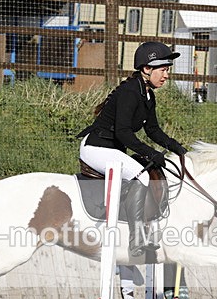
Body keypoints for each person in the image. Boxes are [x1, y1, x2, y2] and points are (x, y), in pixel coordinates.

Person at [77, 41, 188, 258]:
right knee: (143, 176)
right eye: (163, 70)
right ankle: (136, 239)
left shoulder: (147, 95)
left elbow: (153, 130)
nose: (166, 75)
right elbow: (124, 133)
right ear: (147, 69)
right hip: (96, 148)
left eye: (167, 70)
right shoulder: (130, 92)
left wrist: (176, 147)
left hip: (112, 150)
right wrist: (150, 153)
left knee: (147, 172)